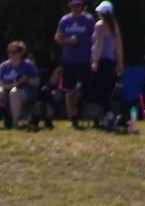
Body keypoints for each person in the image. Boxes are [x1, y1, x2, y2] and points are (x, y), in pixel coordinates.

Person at [54, 0, 96, 128]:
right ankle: (73, 118)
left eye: (79, 5)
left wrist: (93, 58)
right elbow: (58, 38)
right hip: (68, 60)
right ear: (70, 6)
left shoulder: (89, 20)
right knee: (69, 90)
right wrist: (68, 40)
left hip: (85, 60)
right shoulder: (65, 20)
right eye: (74, 5)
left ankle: (95, 118)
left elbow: (95, 39)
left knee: (89, 90)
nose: (76, 7)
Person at [85, 2, 125, 126]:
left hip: (101, 62)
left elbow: (99, 44)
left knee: (97, 90)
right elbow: (118, 45)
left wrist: (95, 61)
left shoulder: (100, 25)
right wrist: (120, 62)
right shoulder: (114, 26)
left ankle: (108, 116)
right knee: (106, 91)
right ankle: (108, 116)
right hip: (111, 62)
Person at [0, 41, 40, 129]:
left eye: (14, 52)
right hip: (7, 90)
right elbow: (0, 82)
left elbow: (36, 82)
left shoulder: (28, 65)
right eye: (9, 52)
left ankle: (14, 123)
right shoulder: (4, 66)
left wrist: (26, 79)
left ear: (21, 52)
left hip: (25, 91)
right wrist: (13, 85)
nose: (11, 54)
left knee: (14, 93)